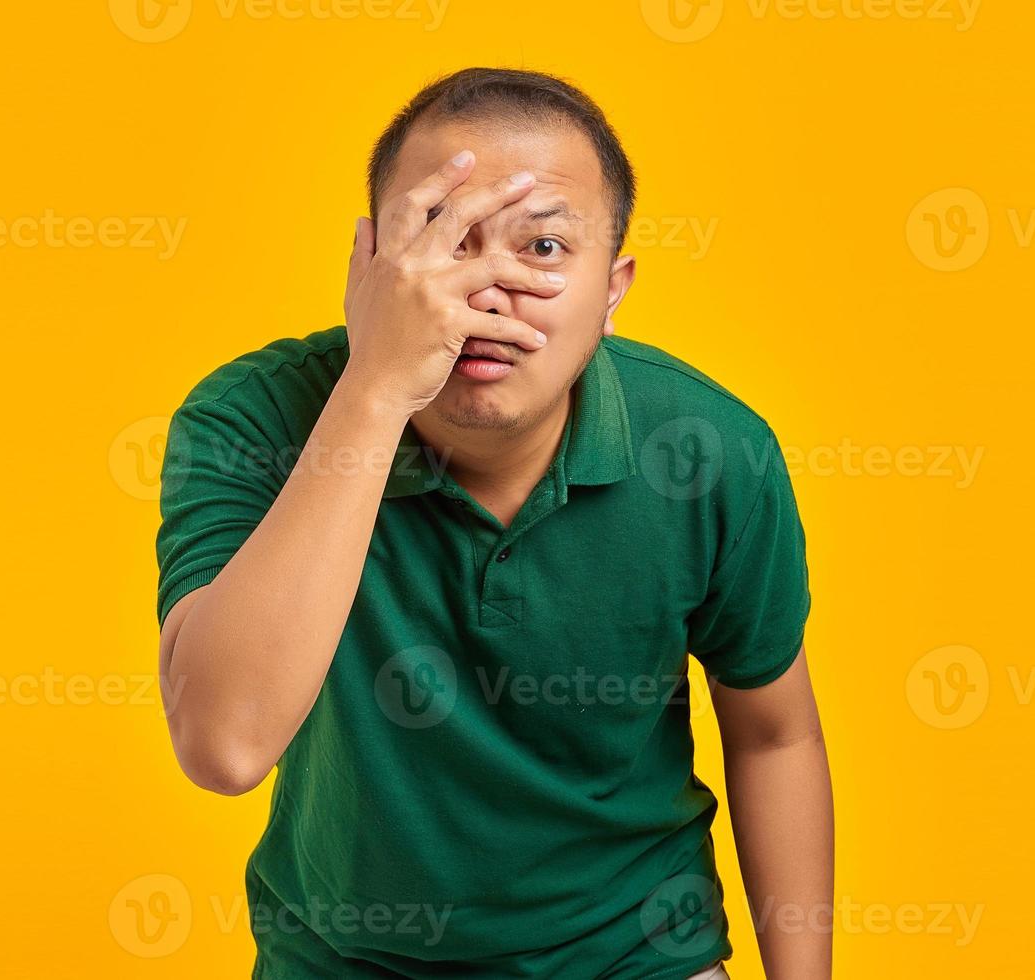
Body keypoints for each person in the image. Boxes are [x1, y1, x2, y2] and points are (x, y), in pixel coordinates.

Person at [155, 67, 833, 979]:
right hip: (344, 962)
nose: (488, 286)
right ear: (369, 266)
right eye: (443, 237)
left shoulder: (711, 451)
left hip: (636, 957)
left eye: (545, 248)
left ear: (614, 286)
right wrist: (377, 387)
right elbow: (224, 744)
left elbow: (774, 733)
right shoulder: (253, 422)